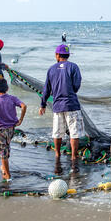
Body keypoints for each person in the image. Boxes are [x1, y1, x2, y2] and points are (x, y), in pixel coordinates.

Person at [39, 44, 85, 174]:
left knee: (57, 132)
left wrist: (42, 105)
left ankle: (58, 154)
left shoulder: (51, 69)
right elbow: (76, 86)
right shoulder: (74, 67)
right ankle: (74, 156)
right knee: (74, 132)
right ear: (68, 55)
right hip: (71, 105)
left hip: (58, 106)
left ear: (57, 55)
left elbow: (46, 89)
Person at [0, 79, 27, 181]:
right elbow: (24, 106)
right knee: (6, 149)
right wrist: (21, 120)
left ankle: (7, 175)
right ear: (7, 88)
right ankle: (3, 168)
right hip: (11, 129)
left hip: (1, 130)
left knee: (3, 152)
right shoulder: (12, 98)